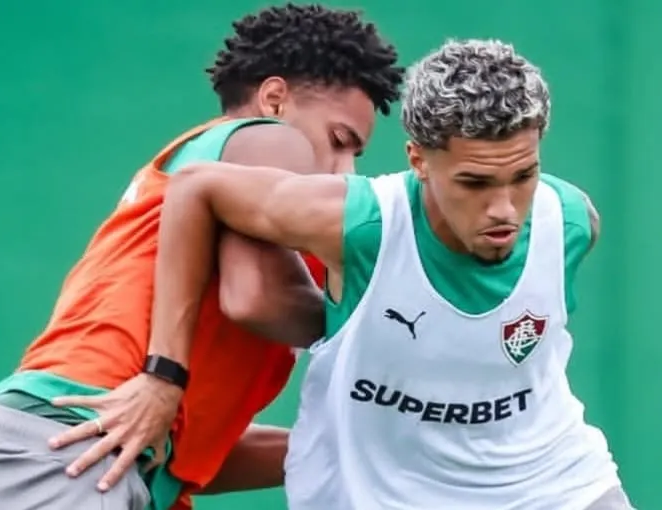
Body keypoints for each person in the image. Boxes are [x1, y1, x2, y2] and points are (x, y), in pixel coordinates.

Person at [146, 38, 634, 509]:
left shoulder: (570, 221)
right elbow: (195, 187)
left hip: (554, 484)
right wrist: (163, 376)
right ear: (419, 160)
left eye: (523, 176)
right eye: (475, 183)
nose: (504, 209)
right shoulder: (363, 223)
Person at [0, 4, 403, 510]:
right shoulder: (270, 140)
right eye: (338, 141)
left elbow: (193, 457)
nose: (345, 170)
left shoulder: (214, 193)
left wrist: (369, 445)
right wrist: (402, 330)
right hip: (66, 449)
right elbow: (256, 297)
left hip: (94, 458)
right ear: (274, 99)